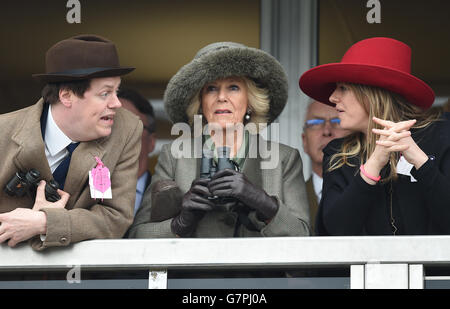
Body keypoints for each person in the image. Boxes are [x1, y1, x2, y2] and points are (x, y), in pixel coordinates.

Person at [129, 42, 310, 239]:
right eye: (211, 89)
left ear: (250, 101)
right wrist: (181, 223)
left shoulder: (284, 158)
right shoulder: (174, 156)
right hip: (196, 269)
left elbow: (303, 236)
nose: (222, 97)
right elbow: (139, 235)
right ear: (200, 103)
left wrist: (263, 203)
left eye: (233, 87)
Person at [0, 34, 142, 250]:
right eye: (105, 93)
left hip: (83, 278)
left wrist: (45, 223)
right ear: (66, 96)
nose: (117, 103)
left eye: (117, 91)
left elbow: (116, 218)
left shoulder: (127, 129)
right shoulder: (3, 131)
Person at [299, 36, 450, 236]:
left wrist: (421, 163)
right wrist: (372, 167)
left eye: (343, 88)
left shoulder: (441, 136)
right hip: (364, 268)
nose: (332, 97)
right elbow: (334, 233)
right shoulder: (337, 153)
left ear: (372, 93)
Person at [301, 100, 351, 233]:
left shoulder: (366, 191)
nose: (327, 131)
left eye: (337, 121)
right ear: (304, 141)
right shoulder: (289, 199)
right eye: (316, 123)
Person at [118, 88, 156, 215]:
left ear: (151, 142)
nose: (116, 134)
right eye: (110, 124)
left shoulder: (170, 197)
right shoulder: (82, 193)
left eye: (129, 126)